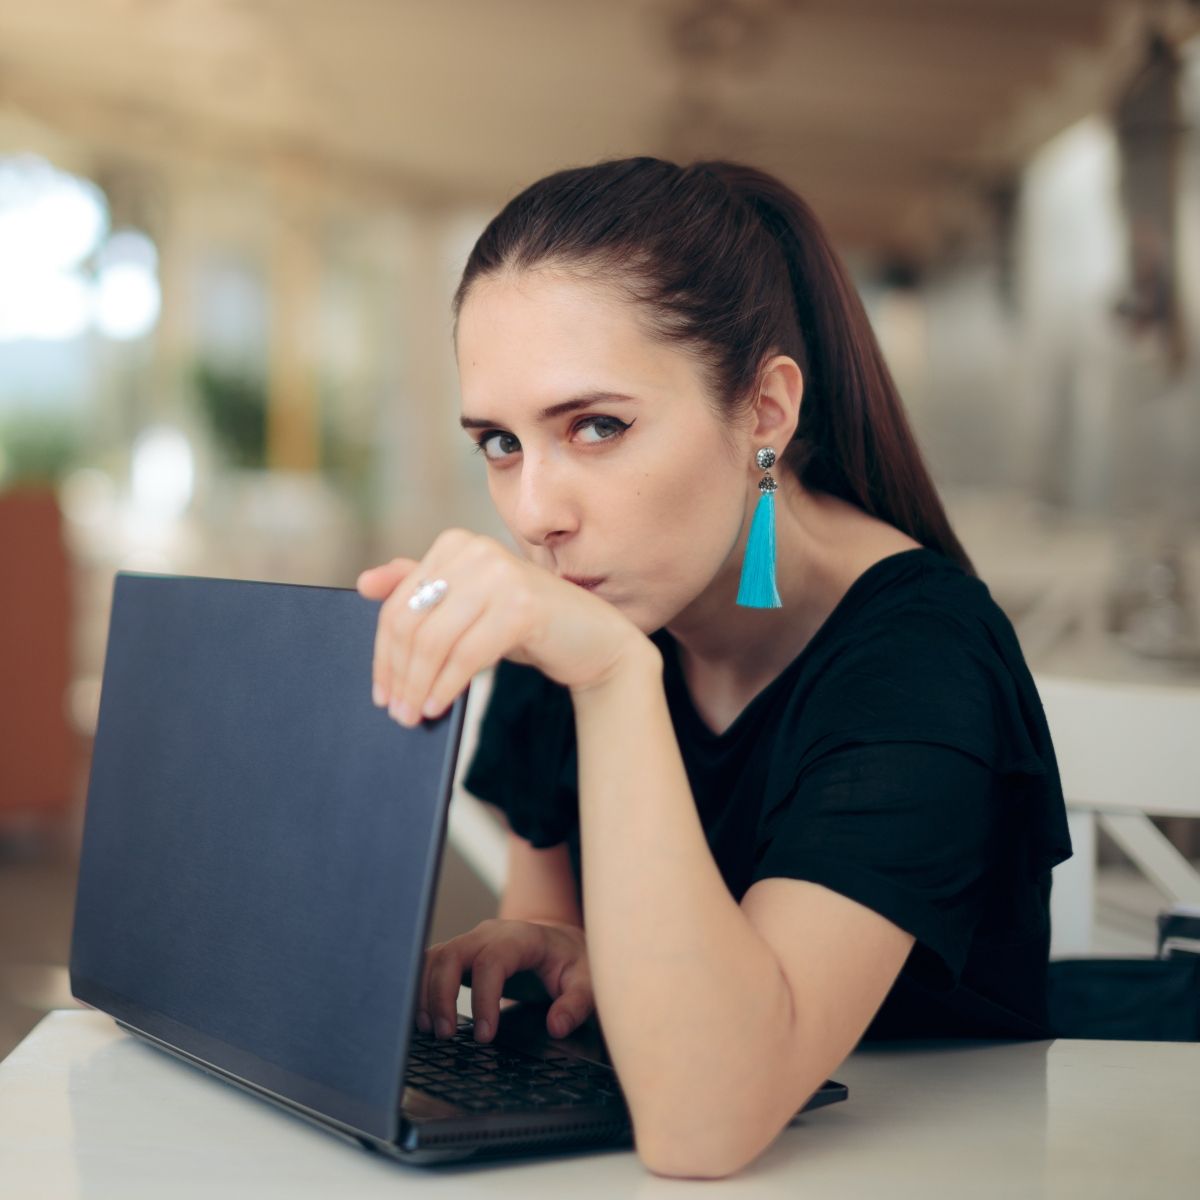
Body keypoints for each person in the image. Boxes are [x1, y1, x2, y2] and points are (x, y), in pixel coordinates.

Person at [355, 157, 1072, 1178]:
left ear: (767, 414)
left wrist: (610, 679)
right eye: (501, 443)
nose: (533, 514)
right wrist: (545, 943)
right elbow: (559, 918)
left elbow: (704, 1124)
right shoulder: (597, 595)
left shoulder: (920, 663)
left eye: (596, 426)